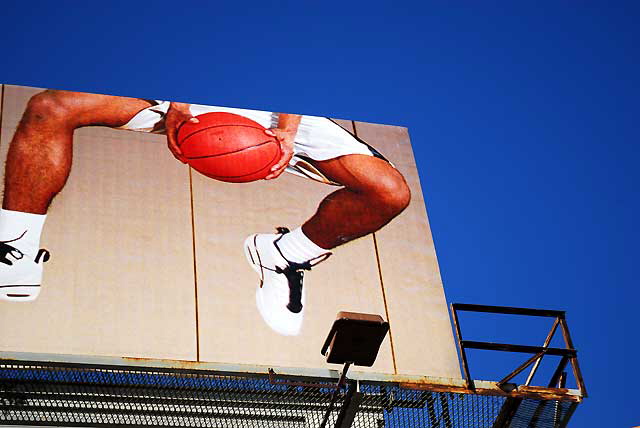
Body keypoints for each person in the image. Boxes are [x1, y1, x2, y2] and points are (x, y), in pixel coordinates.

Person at [0, 90, 411, 336]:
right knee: (51, 106)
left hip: (275, 103)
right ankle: (14, 253)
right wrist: (180, 101)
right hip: (191, 90)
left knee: (388, 193)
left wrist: (287, 127)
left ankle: (283, 255)